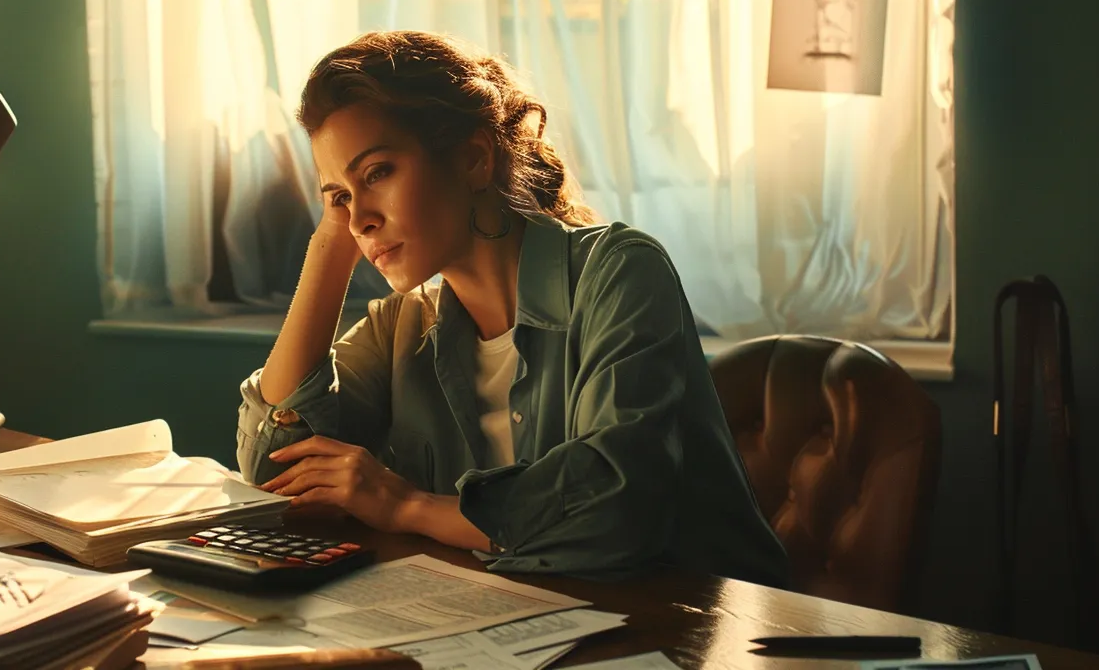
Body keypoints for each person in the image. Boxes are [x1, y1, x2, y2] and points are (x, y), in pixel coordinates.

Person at [234, 31, 788, 585]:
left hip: (704, 627)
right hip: (533, 622)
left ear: (474, 158)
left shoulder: (619, 272)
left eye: (377, 172)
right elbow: (271, 468)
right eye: (339, 197)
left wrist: (407, 506)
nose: (360, 220)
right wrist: (328, 250)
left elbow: (617, 510)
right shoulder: (402, 321)